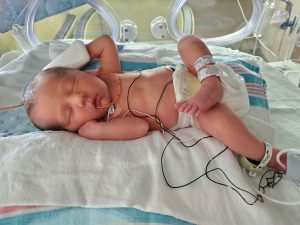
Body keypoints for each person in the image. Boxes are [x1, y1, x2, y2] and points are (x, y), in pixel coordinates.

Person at [23, 34, 299, 180]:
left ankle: (211, 82)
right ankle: (269, 157)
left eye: (72, 86)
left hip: (198, 76)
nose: (79, 100)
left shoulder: (108, 74)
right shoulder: (105, 122)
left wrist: (68, 59)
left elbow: (105, 42)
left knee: (186, 42)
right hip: (192, 110)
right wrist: (93, 131)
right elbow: (140, 126)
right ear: (74, 128)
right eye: (70, 113)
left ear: (85, 72)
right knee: (214, 121)